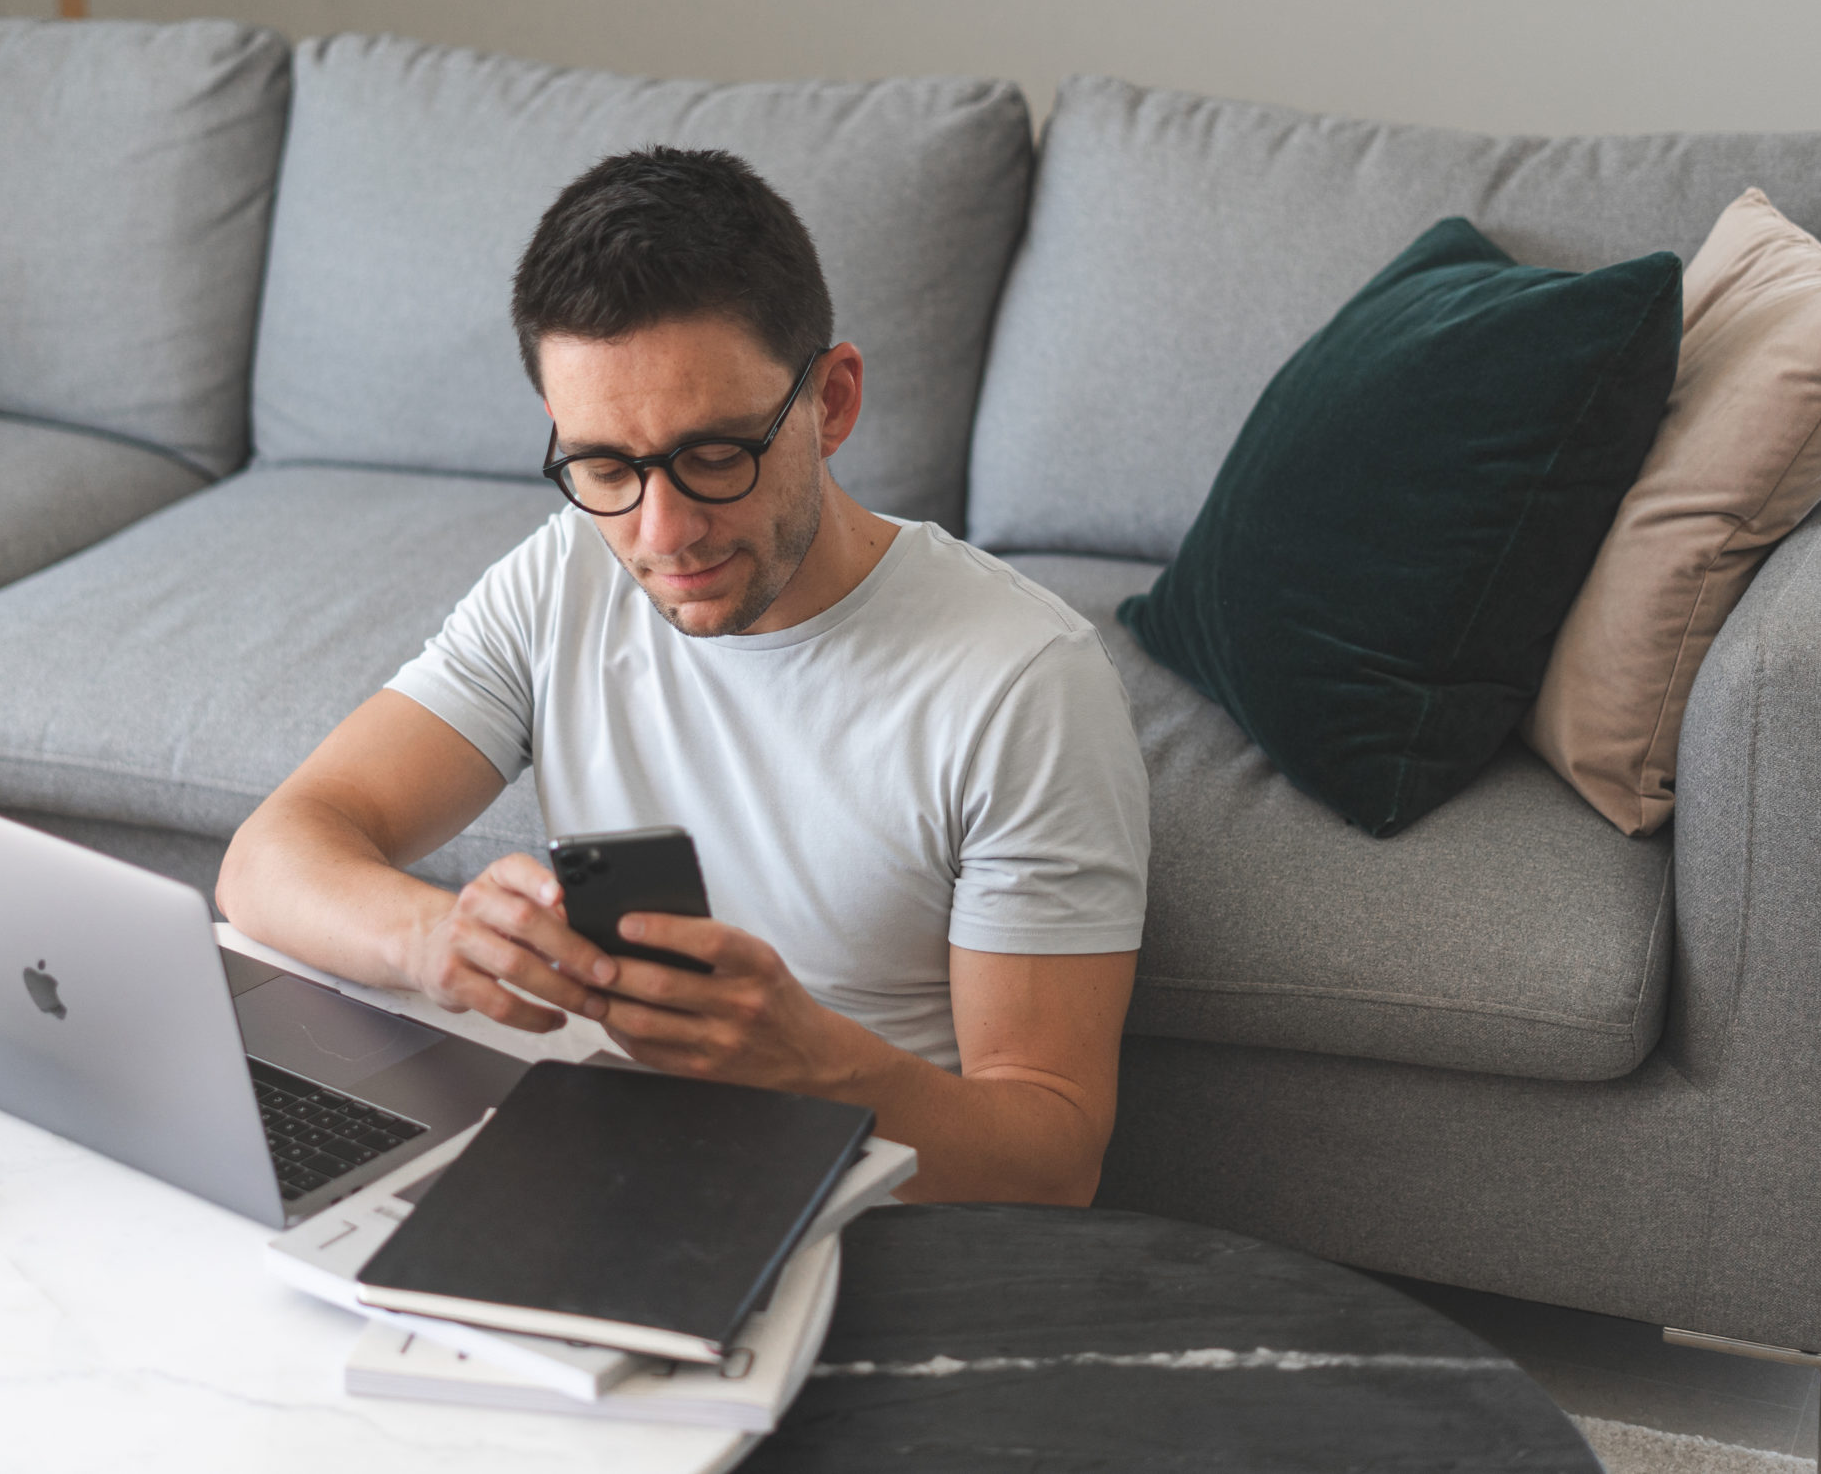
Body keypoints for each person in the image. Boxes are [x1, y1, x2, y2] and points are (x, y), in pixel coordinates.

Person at [218, 147, 1150, 1203]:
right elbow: (272, 857)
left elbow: (1054, 1155)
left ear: (831, 401)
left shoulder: (1023, 684)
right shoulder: (564, 570)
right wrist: (435, 940)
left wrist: (813, 1066)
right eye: (606, 467)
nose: (662, 535)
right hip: (589, 1154)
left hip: (843, 1208)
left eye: (715, 456)